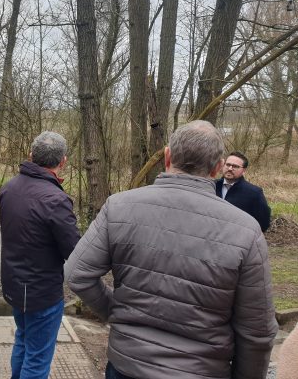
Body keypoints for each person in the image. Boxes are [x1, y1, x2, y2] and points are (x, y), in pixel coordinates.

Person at [64, 120, 278, 379]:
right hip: (202, 370)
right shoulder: (247, 230)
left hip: (127, 365)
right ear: (218, 167)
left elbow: (77, 273)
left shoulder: (119, 206)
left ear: (167, 156)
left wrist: (116, 313)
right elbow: (258, 332)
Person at [0, 131, 80, 379]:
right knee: (38, 357)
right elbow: (74, 251)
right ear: (63, 161)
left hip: (13, 286)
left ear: (31, 156)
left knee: (23, 340)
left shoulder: (7, 189)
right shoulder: (56, 200)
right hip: (42, 294)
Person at [215, 151, 271, 232]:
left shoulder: (254, 193)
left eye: (235, 166)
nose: (230, 168)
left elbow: (263, 223)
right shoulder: (212, 186)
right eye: (228, 165)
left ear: (244, 170)